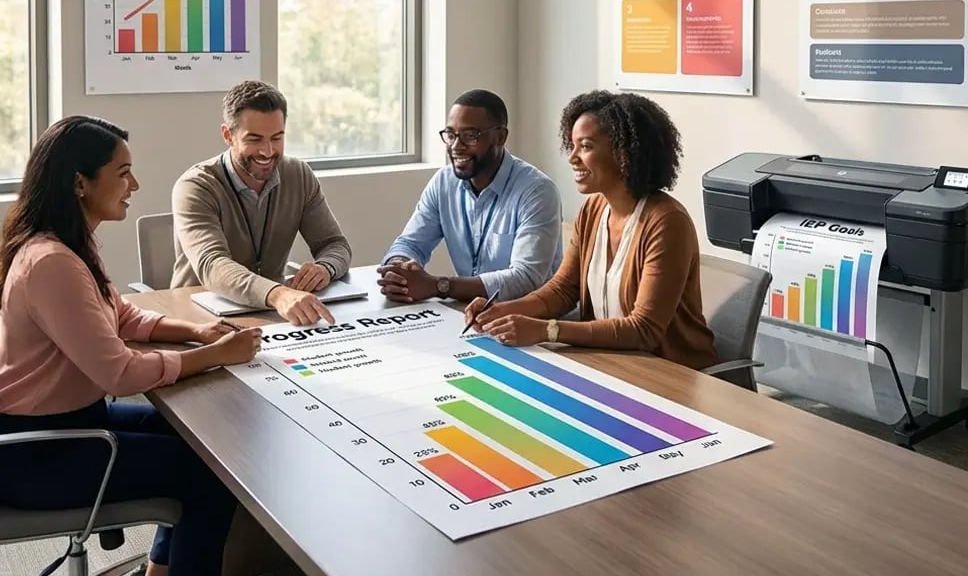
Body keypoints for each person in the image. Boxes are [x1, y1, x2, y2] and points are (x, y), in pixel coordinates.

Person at [0, 116, 264, 576]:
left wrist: (195, 330)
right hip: (40, 452)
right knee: (213, 469)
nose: (135, 186)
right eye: (123, 173)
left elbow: (119, 314)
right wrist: (213, 356)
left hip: (66, 422)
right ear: (80, 183)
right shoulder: (51, 262)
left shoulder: (67, 245)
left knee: (199, 437)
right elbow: (119, 372)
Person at [465, 90, 718, 369]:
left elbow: (644, 330)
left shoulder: (667, 222)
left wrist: (545, 330)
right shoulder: (592, 210)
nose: (572, 157)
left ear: (624, 153)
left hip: (672, 372)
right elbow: (562, 290)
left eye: (585, 146)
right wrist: (502, 310)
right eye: (572, 145)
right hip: (612, 363)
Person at [172, 80, 351, 327]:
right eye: (254, 139)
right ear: (228, 135)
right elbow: (213, 266)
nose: (267, 151)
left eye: (277, 138)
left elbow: (335, 244)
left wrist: (325, 268)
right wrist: (278, 294)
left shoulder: (298, 175)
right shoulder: (196, 186)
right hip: (198, 320)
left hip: (272, 316)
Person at [378, 89, 563, 305]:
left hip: (529, 318)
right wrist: (399, 269)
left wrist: (439, 286)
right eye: (450, 135)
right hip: (470, 310)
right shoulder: (444, 182)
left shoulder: (537, 191)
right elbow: (411, 243)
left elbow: (525, 278)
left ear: (500, 137)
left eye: (470, 136)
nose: (456, 146)